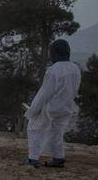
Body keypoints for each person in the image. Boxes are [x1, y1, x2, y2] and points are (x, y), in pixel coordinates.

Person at [24, 39, 82, 168]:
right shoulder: (75, 68)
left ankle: (32, 159)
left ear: (55, 53)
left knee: (34, 127)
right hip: (67, 106)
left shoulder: (53, 70)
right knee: (57, 132)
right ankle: (58, 158)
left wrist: (33, 110)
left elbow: (44, 93)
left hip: (51, 107)